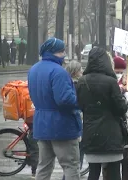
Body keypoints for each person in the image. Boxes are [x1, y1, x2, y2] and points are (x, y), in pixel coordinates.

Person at [28, 37, 82, 180]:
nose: (64, 54)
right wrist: (81, 102)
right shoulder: (59, 72)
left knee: (44, 166)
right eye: (62, 51)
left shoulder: (33, 69)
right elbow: (65, 100)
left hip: (41, 124)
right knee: (71, 166)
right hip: (61, 125)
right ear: (54, 53)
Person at [76, 47, 128, 180]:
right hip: (111, 134)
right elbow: (121, 108)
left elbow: (80, 105)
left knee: (93, 173)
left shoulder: (82, 81)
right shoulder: (111, 82)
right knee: (114, 172)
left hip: (91, 133)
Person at [103, 56, 128, 180]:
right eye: (116, 71)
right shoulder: (107, 82)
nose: (119, 74)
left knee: (127, 162)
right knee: (108, 163)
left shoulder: (127, 82)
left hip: (126, 127)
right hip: (110, 127)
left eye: (120, 72)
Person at [62, 60, 84, 180]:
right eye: (80, 70)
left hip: (69, 124)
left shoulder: (66, 84)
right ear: (75, 72)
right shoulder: (77, 85)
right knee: (75, 160)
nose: (82, 72)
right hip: (76, 123)